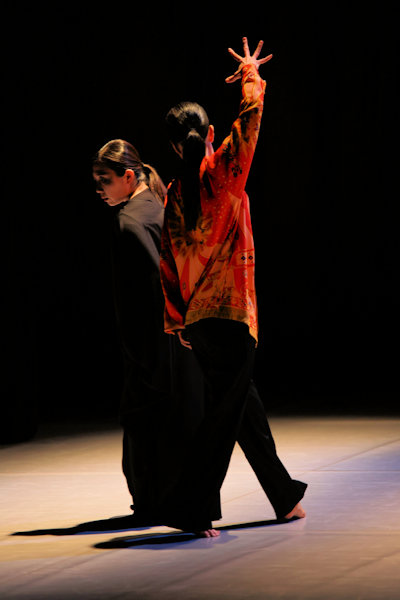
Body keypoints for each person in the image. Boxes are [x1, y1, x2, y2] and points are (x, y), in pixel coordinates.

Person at [160, 38, 307, 537]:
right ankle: (190, 506)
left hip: (199, 321)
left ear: (174, 146)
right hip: (230, 315)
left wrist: (176, 320)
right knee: (225, 415)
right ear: (210, 134)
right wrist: (250, 75)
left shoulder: (175, 194)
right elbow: (250, 120)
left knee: (242, 409)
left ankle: (284, 496)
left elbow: (167, 261)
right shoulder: (223, 173)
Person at [92, 139, 204, 525]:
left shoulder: (129, 222)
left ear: (128, 177)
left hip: (154, 337)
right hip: (181, 332)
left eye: (105, 180)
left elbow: (149, 287)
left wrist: (140, 347)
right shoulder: (160, 205)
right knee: (178, 417)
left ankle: (153, 503)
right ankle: (175, 503)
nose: (99, 189)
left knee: (144, 421)